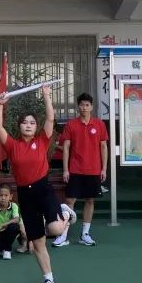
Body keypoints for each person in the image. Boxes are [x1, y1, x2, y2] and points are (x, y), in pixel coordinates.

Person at [0, 85, 75, 283]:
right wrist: (0, 104)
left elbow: (50, 119)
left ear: (36, 126)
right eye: (25, 122)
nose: (29, 125)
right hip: (25, 194)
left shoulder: (42, 140)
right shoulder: (12, 146)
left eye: (32, 123)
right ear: (19, 126)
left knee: (56, 230)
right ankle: (48, 280)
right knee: (38, 242)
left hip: (43, 189)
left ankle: (66, 214)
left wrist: (47, 96)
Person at [55, 92, 108, 248]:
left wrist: (104, 169)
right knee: (69, 201)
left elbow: (103, 147)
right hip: (75, 169)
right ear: (78, 106)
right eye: (82, 105)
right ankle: (63, 234)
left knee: (90, 200)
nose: (84, 107)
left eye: (87, 105)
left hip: (94, 170)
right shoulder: (71, 125)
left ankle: (85, 234)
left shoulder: (99, 124)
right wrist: (66, 169)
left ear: (91, 107)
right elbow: (66, 148)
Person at [0, 183, 27, 260]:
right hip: (0, 234)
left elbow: (16, 219)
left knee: (14, 226)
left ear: (10, 197)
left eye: (6, 195)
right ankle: (3, 248)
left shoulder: (14, 206)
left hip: (10, 232)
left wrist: (3, 224)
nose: (3, 198)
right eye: (1, 195)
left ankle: (7, 250)